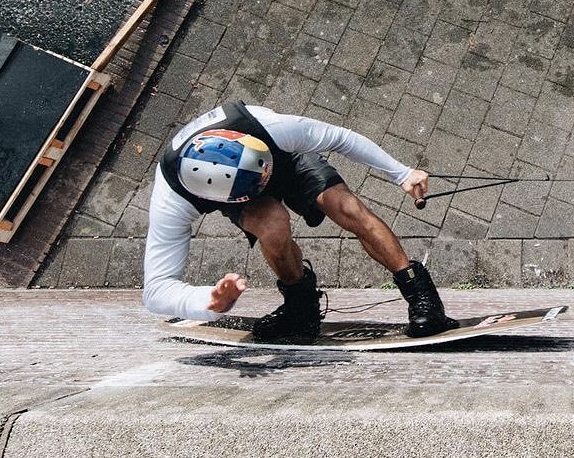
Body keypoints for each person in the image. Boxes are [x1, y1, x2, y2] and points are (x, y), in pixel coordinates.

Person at [141, 100, 458, 343]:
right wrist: (208, 301)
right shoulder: (172, 198)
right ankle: (300, 310)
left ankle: (422, 297)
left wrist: (402, 174)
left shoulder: (269, 126)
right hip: (241, 189)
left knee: (344, 206)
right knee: (273, 226)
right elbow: (156, 291)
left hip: (282, 158)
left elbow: (341, 138)